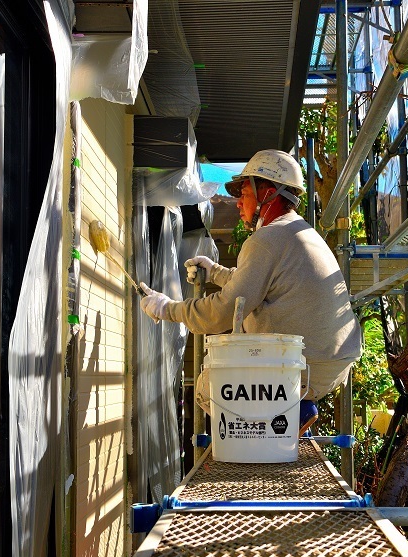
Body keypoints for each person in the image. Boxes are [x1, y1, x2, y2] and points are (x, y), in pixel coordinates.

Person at [139, 149, 361, 433]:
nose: (237, 204)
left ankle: (263, 434)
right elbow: (261, 286)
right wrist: (216, 271)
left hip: (306, 367)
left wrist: (167, 308)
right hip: (329, 360)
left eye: (243, 193)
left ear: (267, 192)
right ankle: (297, 410)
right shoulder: (295, 232)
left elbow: (223, 311)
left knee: (210, 386)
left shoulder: (267, 239)